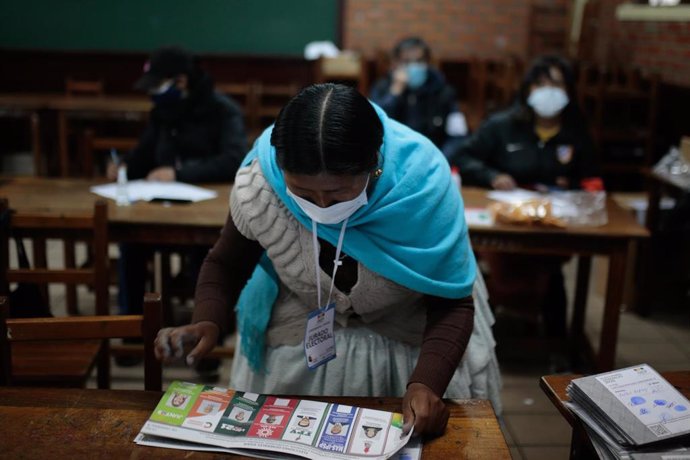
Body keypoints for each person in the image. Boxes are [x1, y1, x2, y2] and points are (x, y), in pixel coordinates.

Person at [154, 83, 501, 437]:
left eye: (338, 193)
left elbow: (451, 301)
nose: (321, 207)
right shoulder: (262, 183)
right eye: (302, 193)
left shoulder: (423, 188)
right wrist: (207, 320)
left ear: (374, 165)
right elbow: (226, 263)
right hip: (301, 335)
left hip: (413, 337)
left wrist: (426, 383)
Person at [450, 55, 604, 371]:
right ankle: (480, 337)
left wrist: (568, 187)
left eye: (557, 83)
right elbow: (463, 157)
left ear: (569, 90)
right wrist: (491, 175)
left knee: (552, 276)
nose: (548, 91)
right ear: (528, 88)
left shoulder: (577, 133)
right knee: (481, 269)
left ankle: (560, 344)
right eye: (541, 83)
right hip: (505, 221)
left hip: (555, 227)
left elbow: (592, 182)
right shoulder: (502, 126)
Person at [111, 46, 247, 373]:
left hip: (201, 215)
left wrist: (180, 173)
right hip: (159, 210)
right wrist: (125, 166)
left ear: (181, 81)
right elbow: (146, 152)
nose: (154, 94)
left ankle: (206, 340)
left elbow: (233, 160)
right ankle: (131, 334)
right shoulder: (162, 112)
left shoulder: (222, 110)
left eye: (158, 86)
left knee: (207, 256)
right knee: (130, 246)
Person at [370, 37, 468, 159]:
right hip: (394, 161)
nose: (414, 66)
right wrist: (395, 93)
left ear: (428, 63)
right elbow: (373, 125)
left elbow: (458, 135)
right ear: (395, 64)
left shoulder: (444, 92)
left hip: (433, 159)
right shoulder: (382, 88)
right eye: (407, 62)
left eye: (419, 61)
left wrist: (440, 159)